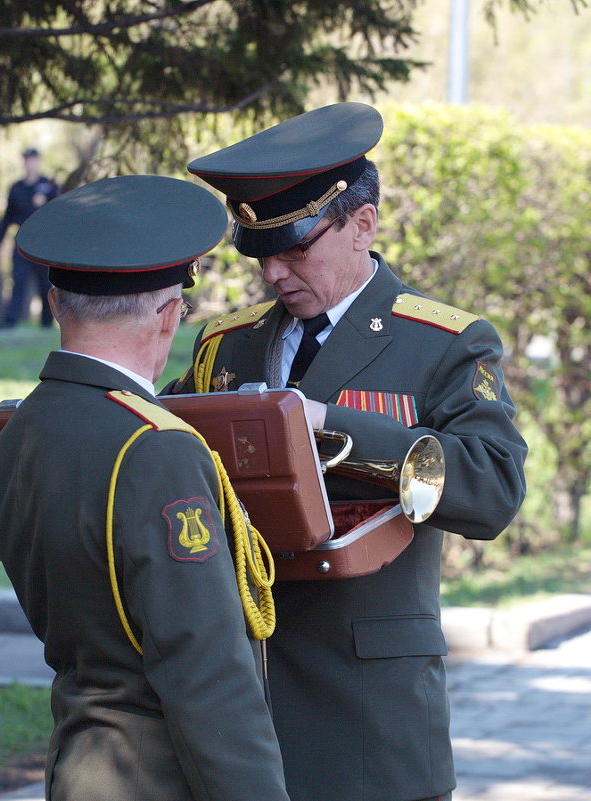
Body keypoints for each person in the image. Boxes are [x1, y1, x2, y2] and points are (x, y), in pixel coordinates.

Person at [164, 103, 528, 801]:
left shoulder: (445, 342)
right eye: (260, 253)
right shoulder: (226, 345)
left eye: (295, 249)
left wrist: (331, 424)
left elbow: (494, 486)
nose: (274, 272)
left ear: (362, 224)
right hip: (243, 713)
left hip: (370, 716)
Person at [0, 175, 291, 801]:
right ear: (167, 311)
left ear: (54, 302)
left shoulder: (18, 429)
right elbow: (205, 676)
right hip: (156, 777)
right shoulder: (156, 449)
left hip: (78, 763)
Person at [0, 147, 60, 328]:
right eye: (26, 159)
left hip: (43, 242)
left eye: (32, 159)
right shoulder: (16, 188)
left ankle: (47, 321)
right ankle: (11, 319)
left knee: (45, 282)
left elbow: (59, 212)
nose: (29, 163)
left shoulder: (49, 185)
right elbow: (7, 217)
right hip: (21, 241)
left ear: (37, 161)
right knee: (18, 280)